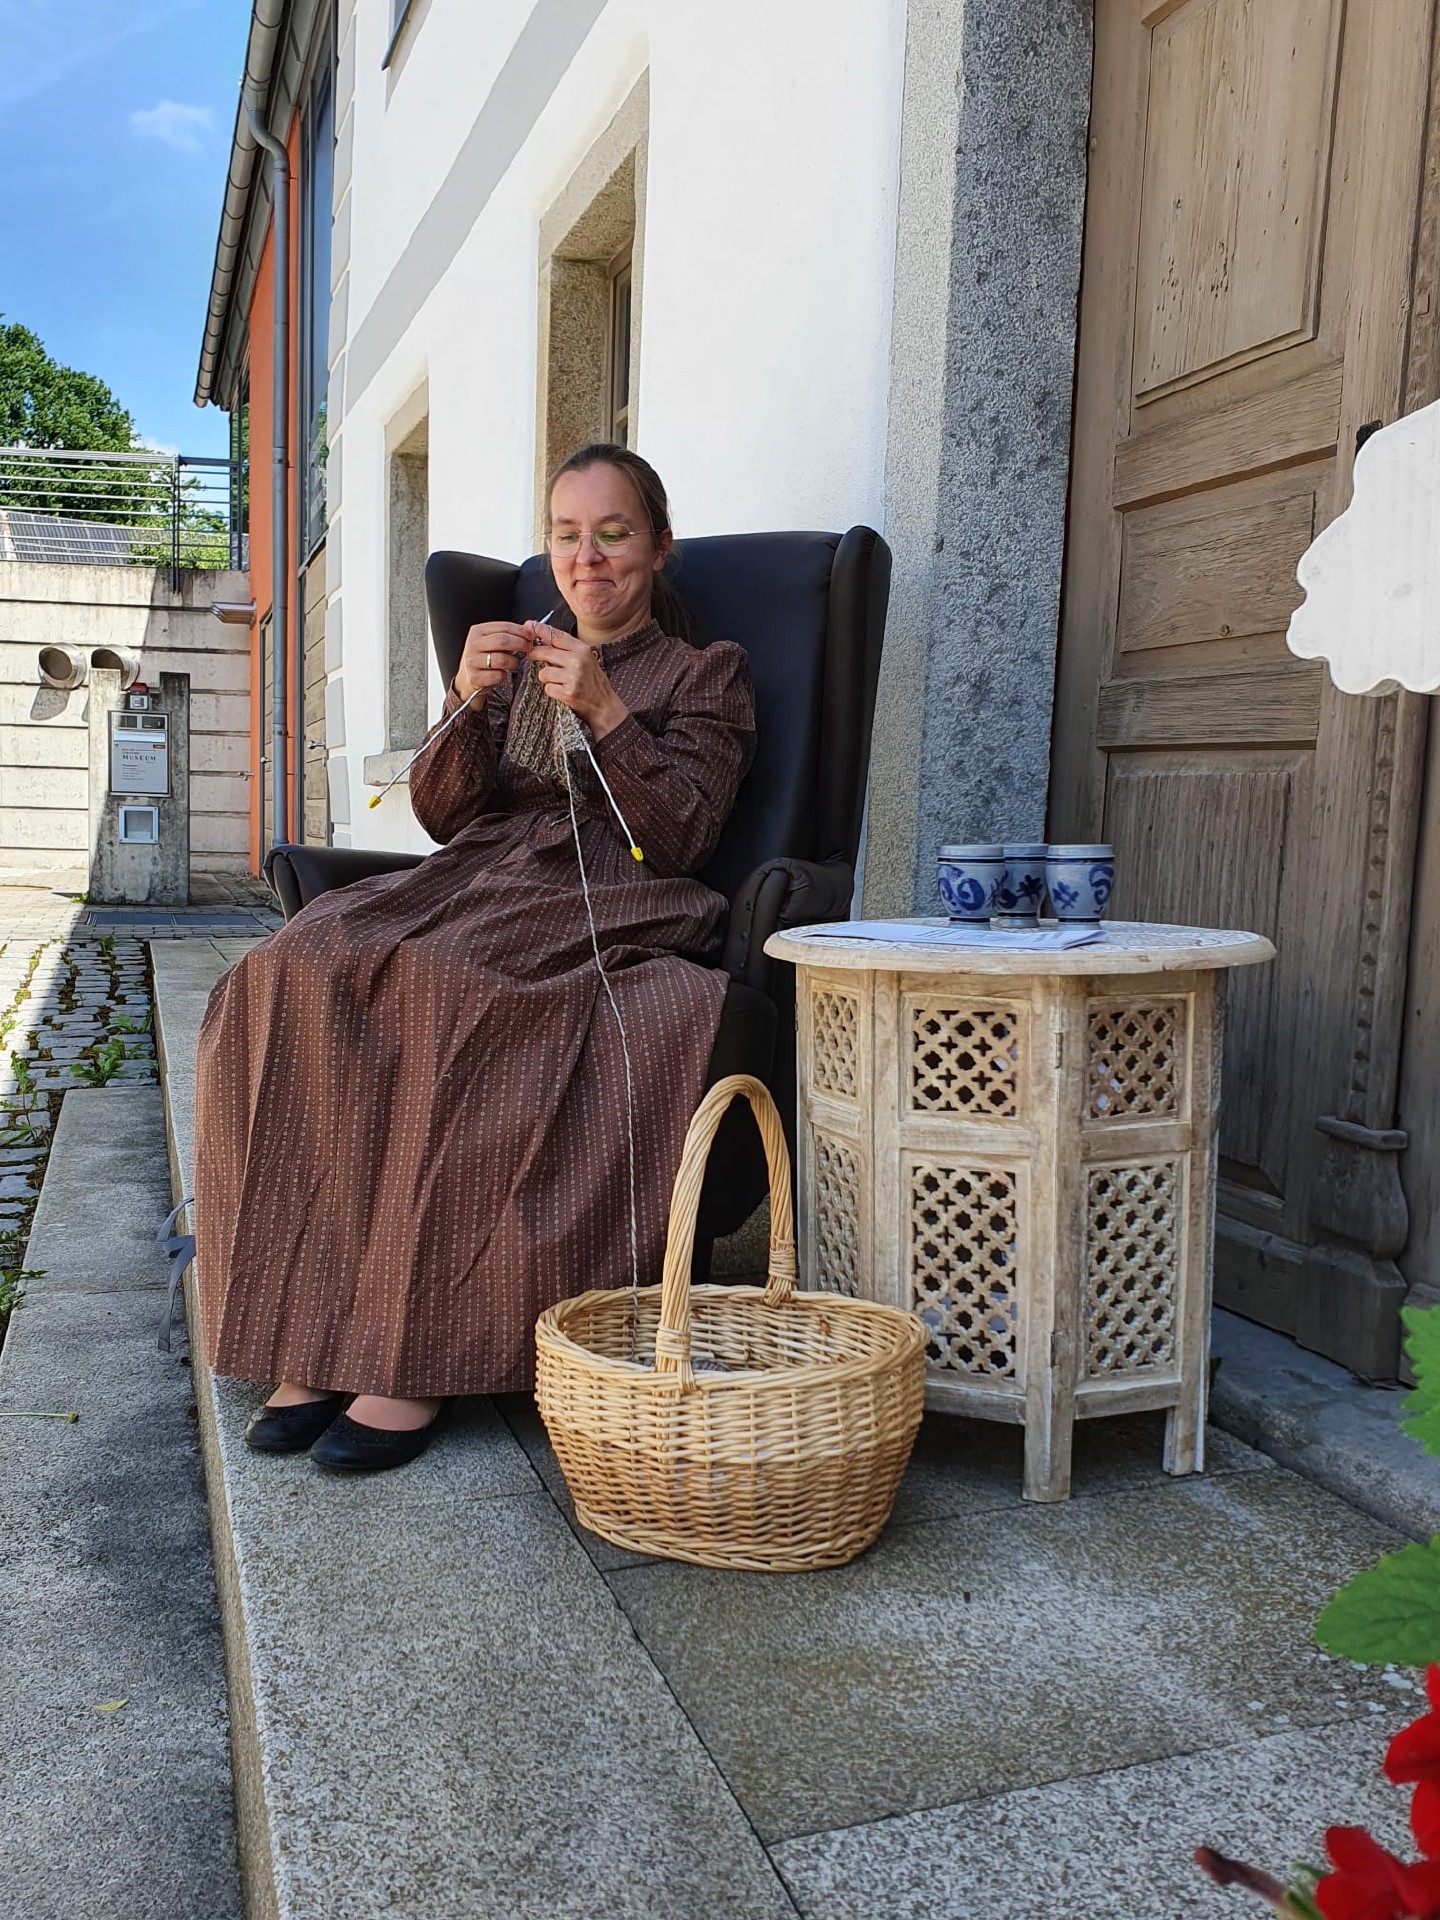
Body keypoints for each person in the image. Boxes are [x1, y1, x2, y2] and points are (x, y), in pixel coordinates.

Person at [193, 444, 756, 1471]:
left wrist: (606, 711)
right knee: (286, 968)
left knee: (444, 989)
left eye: (614, 533)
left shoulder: (703, 672)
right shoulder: (519, 663)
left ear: (659, 547)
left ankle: (413, 1357)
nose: (588, 558)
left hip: (611, 887)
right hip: (481, 876)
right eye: (568, 535)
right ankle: (306, 1329)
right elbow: (445, 815)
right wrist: (462, 699)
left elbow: (683, 836)